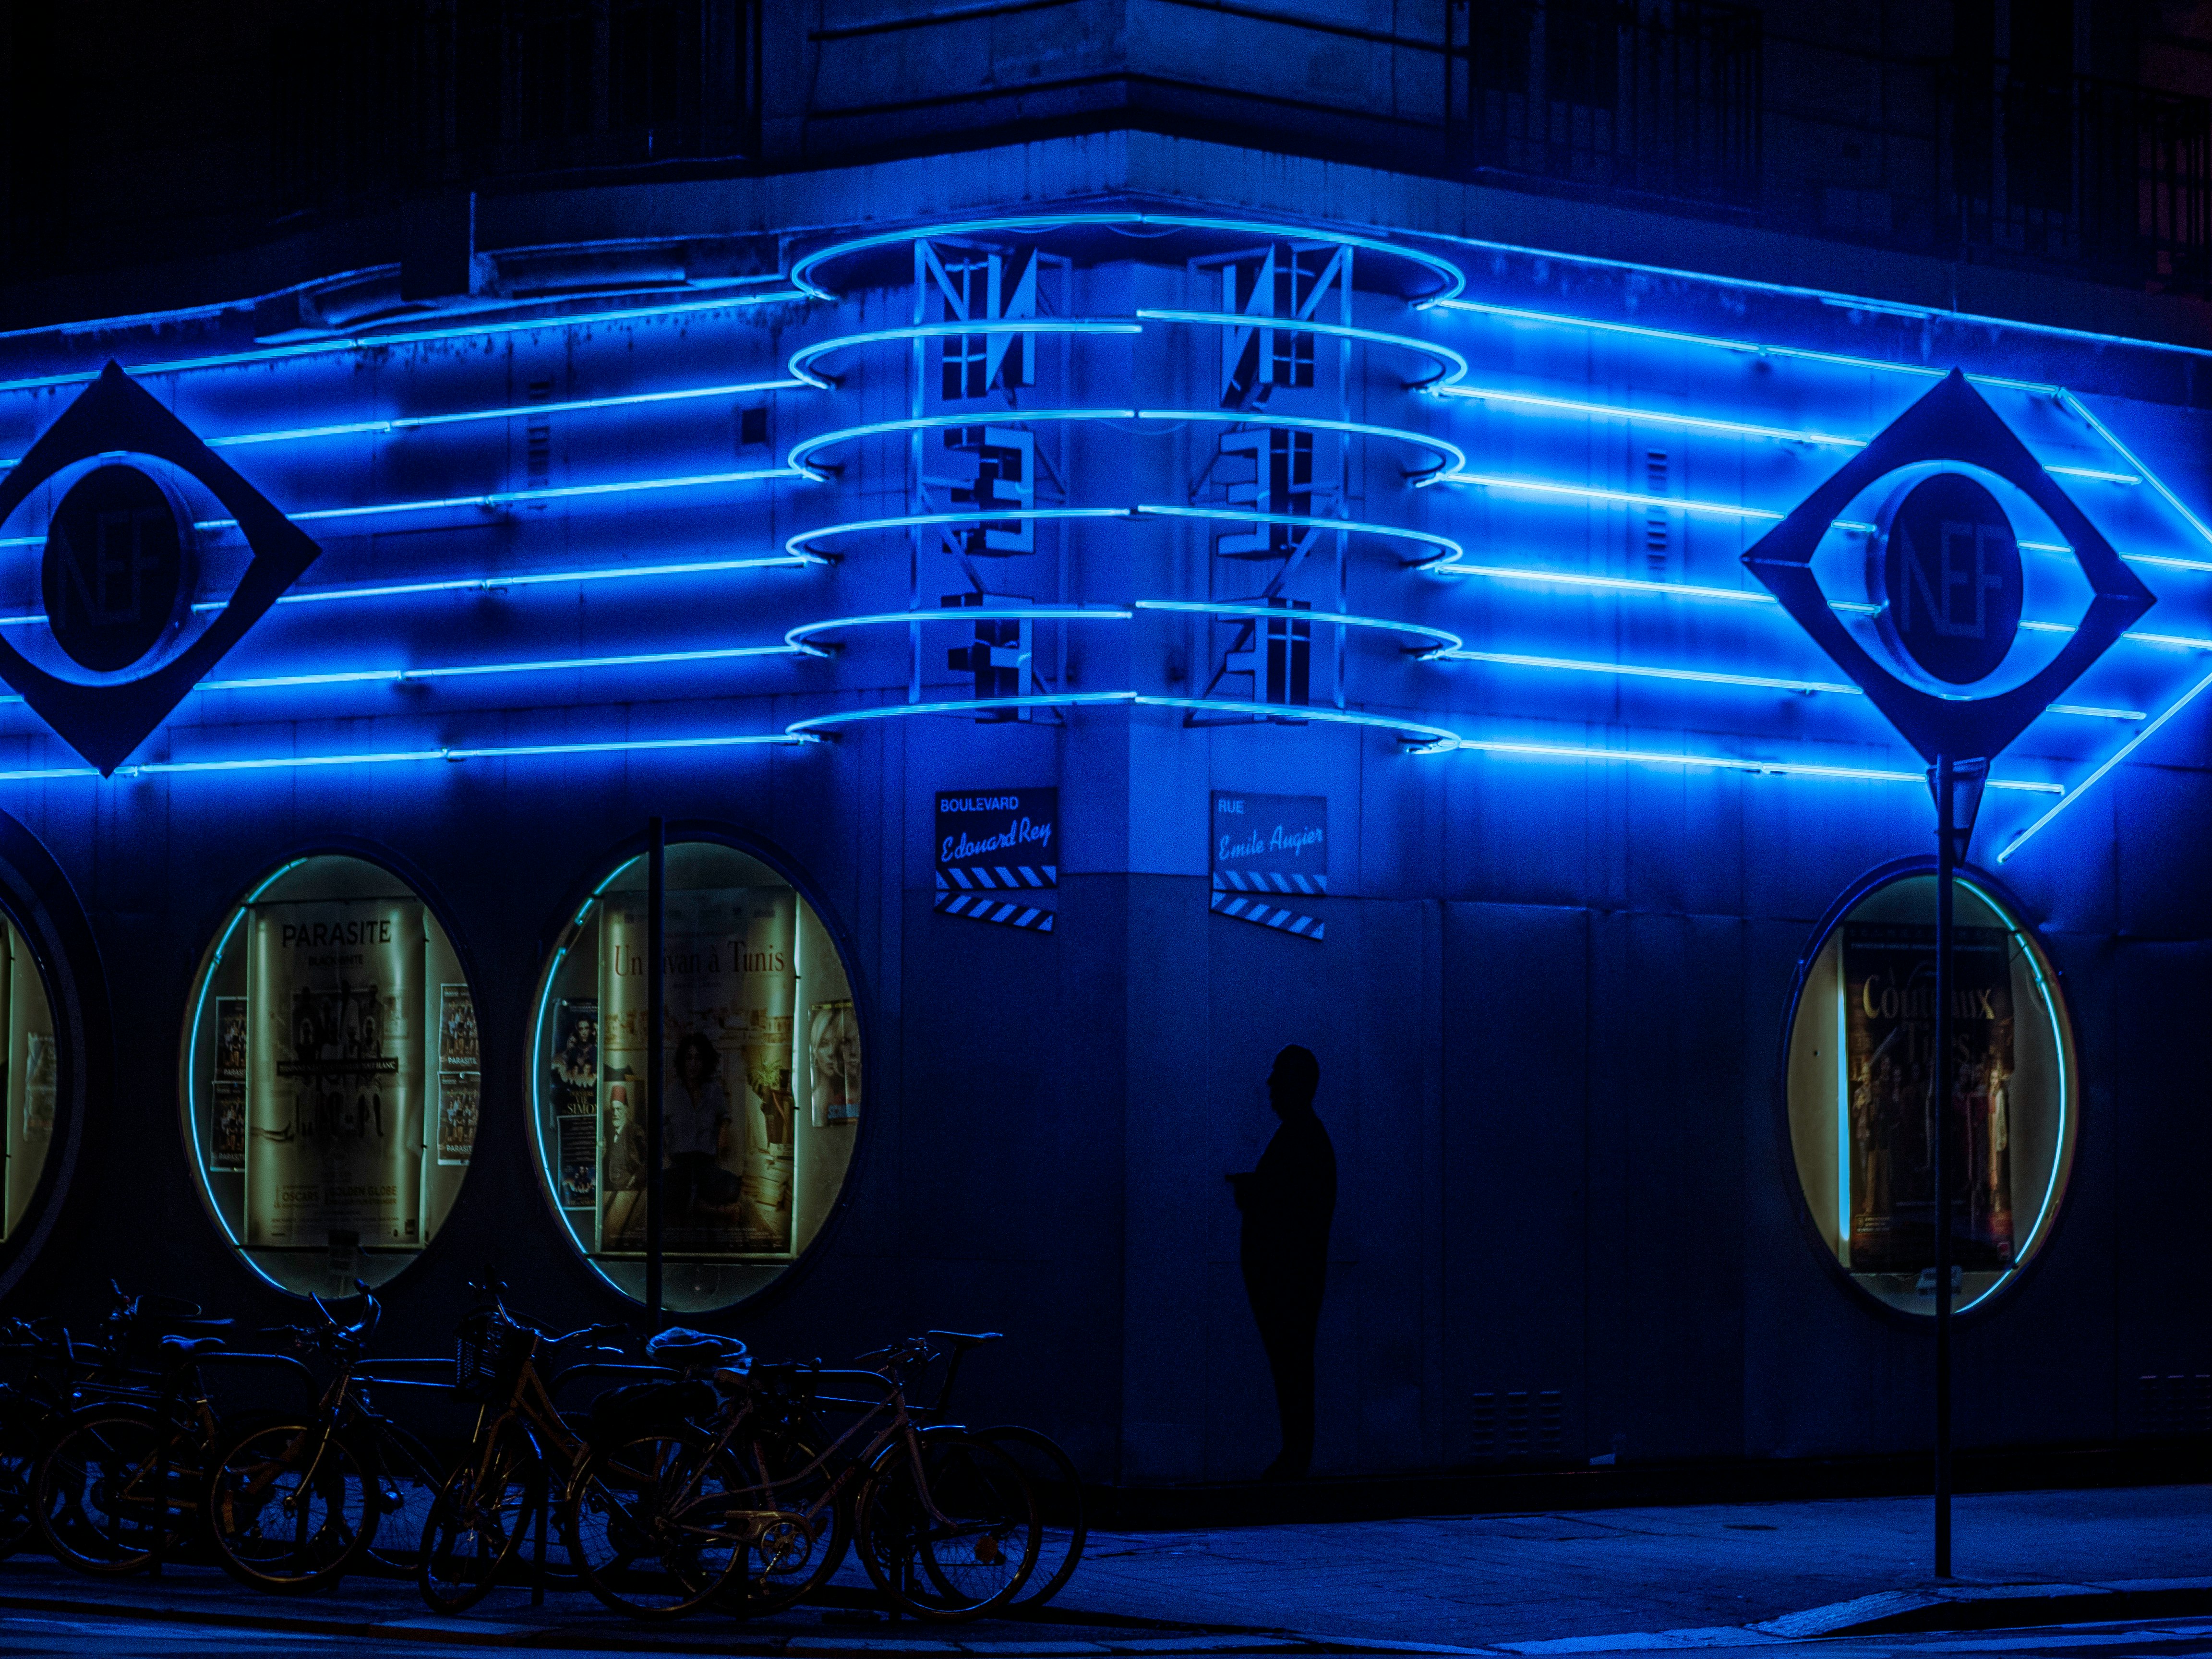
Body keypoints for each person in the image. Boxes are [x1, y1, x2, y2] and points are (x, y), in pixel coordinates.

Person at [1226, 1044, 1336, 1480]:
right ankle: (1295, 1453)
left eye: (1279, 1076)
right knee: (1291, 1365)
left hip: (1287, 1281)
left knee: (1290, 1364)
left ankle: (1295, 1455)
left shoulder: (1301, 1137)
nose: (1270, 1085)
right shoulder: (1305, 1136)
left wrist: (1255, 1196)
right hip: (1289, 1278)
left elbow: (1292, 1208)